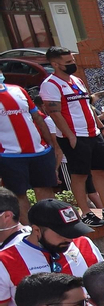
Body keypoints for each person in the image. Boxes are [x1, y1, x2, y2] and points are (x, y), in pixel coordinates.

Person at [0, 200, 103, 306]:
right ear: (36, 230)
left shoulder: (84, 244)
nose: (70, 239)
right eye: (62, 233)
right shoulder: (6, 260)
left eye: (73, 232)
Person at [40, 49, 104, 225]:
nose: (72, 64)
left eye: (72, 60)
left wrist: (102, 128)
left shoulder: (77, 80)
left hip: (93, 132)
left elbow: (88, 106)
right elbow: (54, 112)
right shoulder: (50, 84)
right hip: (75, 135)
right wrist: (69, 135)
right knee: (80, 174)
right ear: (55, 64)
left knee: (100, 170)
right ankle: (86, 213)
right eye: (67, 62)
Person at [0, 70, 56, 211]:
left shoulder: (18, 90)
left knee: (45, 190)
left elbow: (37, 117)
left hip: (39, 151)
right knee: (18, 195)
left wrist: (51, 144)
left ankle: (51, 226)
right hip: (9, 155)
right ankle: (29, 230)